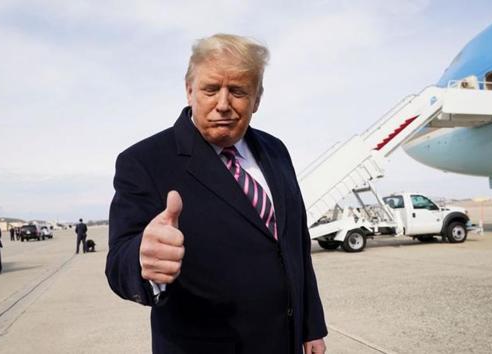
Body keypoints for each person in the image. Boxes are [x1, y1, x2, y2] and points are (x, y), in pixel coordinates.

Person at [106, 33, 327, 354]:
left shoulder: (276, 151)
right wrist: (142, 257)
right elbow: (118, 262)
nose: (223, 104)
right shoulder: (143, 161)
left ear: (257, 98)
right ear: (189, 90)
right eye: (211, 90)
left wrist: (311, 328)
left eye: (238, 91)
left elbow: (297, 246)